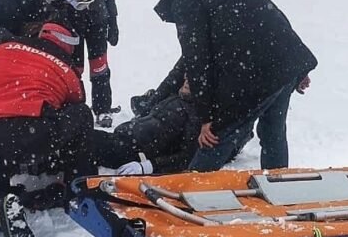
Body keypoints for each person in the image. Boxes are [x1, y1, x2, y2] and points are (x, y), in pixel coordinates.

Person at [153, 0, 318, 172]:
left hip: (249, 77)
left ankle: (190, 193)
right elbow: (277, 21)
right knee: (273, 133)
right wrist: (298, 70)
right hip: (283, 68)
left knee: (216, 138)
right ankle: (279, 185)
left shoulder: (187, 0)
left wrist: (206, 118)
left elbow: (197, 62)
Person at [0, 21, 97, 237]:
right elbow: (76, 104)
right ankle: (78, 187)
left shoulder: (2, 49)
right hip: (28, 129)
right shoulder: (67, 70)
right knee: (81, 116)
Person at [97, 75, 249, 175]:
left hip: (132, 150)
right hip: (122, 137)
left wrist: (149, 166)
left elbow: (187, 157)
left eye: (195, 78)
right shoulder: (179, 98)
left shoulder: (196, 117)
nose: (188, 78)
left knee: (82, 143)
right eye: (188, 74)